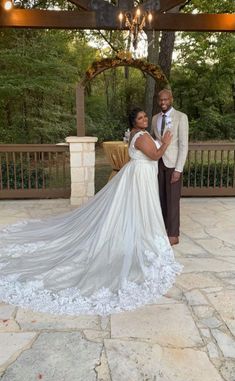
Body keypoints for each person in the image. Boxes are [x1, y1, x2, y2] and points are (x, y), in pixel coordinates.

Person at [0, 108, 183, 316]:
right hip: (140, 177)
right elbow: (156, 154)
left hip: (141, 175)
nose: (144, 119)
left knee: (134, 210)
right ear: (134, 122)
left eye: (144, 116)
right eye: (140, 117)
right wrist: (166, 141)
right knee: (136, 208)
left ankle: (140, 233)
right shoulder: (140, 135)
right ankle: (137, 237)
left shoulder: (138, 134)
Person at [151, 89, 189, 246]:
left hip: (173, 164)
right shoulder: (154, 119)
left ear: (171, 99)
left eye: (166, 99)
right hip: (158, 163)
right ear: (158, 101)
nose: (163, 102)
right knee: (160, 198)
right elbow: (155, 141)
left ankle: (173, 234)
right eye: (161, 100)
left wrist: (179, 169)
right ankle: (163, 229)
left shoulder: (181, 117)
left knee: (173, 200)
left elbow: (183, 145)